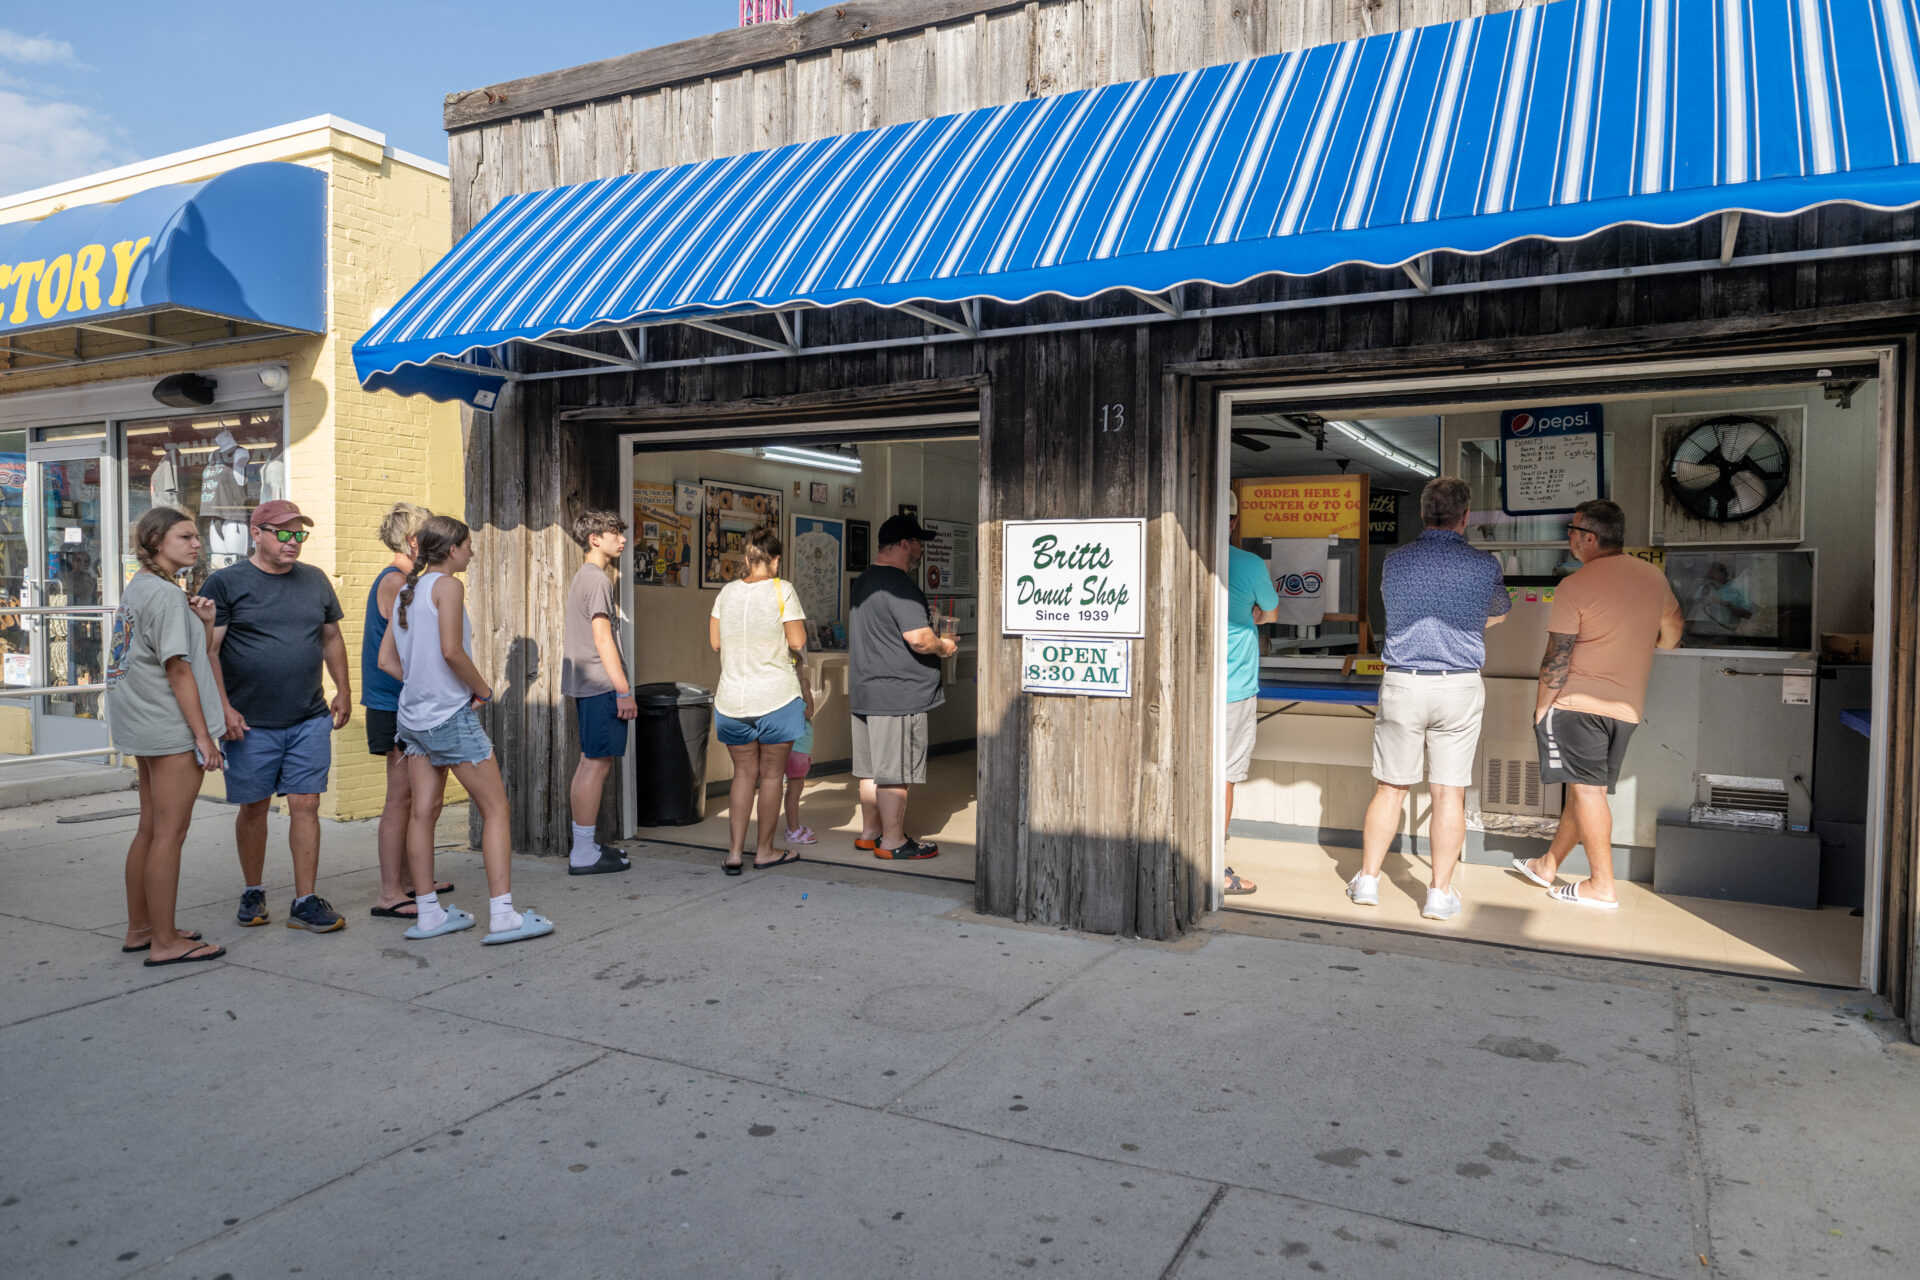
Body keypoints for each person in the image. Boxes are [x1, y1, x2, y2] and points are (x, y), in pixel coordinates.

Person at [378, 515, 553, 944]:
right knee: (496, 810)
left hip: (412, 718)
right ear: (452, 548)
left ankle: (430, 914)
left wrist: (421, 683)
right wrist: (483, 690)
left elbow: (386, 661)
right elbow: (452, 650)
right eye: (469, 545)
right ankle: (504, 915)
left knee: (423, 813)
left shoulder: (407, 589)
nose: (472, 552)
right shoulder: (448, 586)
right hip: (449, 715)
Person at [1347, 477, 1509, 921]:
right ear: (1466, 517)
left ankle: (1368, 881)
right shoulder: (1484, 565)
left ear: (1423, 513)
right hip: (1458, 684)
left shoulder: (1395, 562)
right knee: (1448, 794)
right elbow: (1498, 612)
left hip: (1403, 681)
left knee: (1390, 788)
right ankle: (1438, 894)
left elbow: (1396, 611)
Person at [1513, 499, 1683, 909]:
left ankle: (1600, 885)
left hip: (1577, 705)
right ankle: (1547, 865)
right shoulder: (1652, 577)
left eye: (1571, 530)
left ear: (1590, 537)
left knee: (1587, 793)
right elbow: (1674, 630)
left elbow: (1557, 656)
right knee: (1584, 789)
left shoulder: (1576, 585)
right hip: (1626, 709)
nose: (1568, 537)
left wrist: (1542, 707)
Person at [205, 500, 351, 934]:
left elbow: (331, 637)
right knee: (254, 808)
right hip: (250, 722)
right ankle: (253, 889)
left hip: (308, 716)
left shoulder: (315, 581)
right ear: (257, 533)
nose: (293, 542)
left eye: (299, 534)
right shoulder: (226, 583)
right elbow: (209, 651)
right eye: (283, 533)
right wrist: (224, 708)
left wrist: (343, 689)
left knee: (307, 803)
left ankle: (305, 900)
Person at [107, 507, 227, 966]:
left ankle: (144, 929)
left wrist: (204, 623)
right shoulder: (167, 596)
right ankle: (165, 943)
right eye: (185, 536)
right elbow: (178, 669)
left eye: (197, 536)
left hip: (140, 719)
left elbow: (170, 651)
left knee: (150, 829)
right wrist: (203, 737)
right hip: (168, 725)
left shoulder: (141, 586)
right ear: (157, 542)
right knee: (169, 835)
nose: (196, 543)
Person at [362, 502, 453, 919]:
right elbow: (404, 646)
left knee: (419, 797)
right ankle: (389, 892)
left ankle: (413, 879)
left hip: (404, 701)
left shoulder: (407, 579)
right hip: (392, 703)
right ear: (416, 541)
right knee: (400, 798)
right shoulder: (396, 581)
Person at [847, 514, 955, 861]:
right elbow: (920, 640)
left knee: (870, 770)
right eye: (919, 542)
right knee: (894, 773)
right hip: (897, 696)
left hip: (865, 693)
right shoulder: (901, 585)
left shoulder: (863, 582)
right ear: (904, 544)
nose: (922, 550)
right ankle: (893, 842)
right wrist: (944, 645)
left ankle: (870, 833)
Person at [710, 526, 809, 873]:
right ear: (776, 559)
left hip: (731, 701)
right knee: (770, 776)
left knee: (742, 775)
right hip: (776, 699)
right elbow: (797, 641)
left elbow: (716, 642)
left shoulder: (726, 593)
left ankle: (735, 853)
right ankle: (764, 850)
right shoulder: (783, 590)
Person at [562, 510, 636, 876]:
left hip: (587, 684)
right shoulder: (598, 581)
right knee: (596, 765)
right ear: (595, 539)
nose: (621, 539)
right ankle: (584, 853)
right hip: (600, 684)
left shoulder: (586, 578)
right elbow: (602, 637)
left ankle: (585, 846)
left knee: (590, 762)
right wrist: (623, 689)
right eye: (614, 533)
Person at [1222, 491, 1280, 895]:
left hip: (1183, 690)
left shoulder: (1178, 558)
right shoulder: (1248, 564)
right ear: (1233, 522)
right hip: (1234, 688)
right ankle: (1213, 867)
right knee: (1223, 776)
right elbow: (1272, 613)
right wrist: (1249, 615)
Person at [783, 664, 819, 847]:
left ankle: (790, 827)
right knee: (794, 791)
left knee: (782, 789)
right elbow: (809, 711)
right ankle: (794, 829)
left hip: (780, 745)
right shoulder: (795, 690)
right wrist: (804, 687)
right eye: (800, 671)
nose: (802, 674)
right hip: (798, 747)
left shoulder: (776, 692)